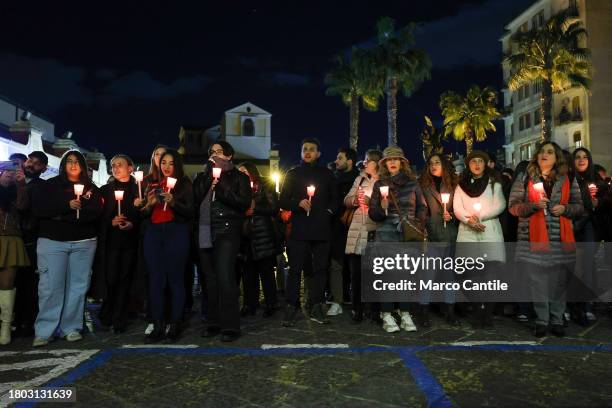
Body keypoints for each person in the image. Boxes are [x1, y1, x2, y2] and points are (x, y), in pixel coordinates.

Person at [509, 142, 583, 337]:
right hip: (533, 238)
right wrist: (533, 205)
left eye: (550, 152)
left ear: (556, 157)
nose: (545, 154)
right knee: (538, 282)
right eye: (542, 151)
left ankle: (557, 319)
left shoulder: (567, 178)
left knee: (558, 282)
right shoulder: (524, 177)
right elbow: (513, 207)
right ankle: (542, 320)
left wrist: (565, 209)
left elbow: (579, 206)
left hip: (560, 237)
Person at [30, 150, 103, 347]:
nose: (73, 165)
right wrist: (66, 206)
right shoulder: (50, 186)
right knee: (51, 286)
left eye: (77, 161)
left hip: (84, 242)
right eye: (69, 161)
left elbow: (94, 213)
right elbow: (40, 209)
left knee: (78, 287)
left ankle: (71, 327)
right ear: (63, 165)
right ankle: (45, 330)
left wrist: (61, 217)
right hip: (53, 242)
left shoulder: (91, 189)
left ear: (83, 166)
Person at [194, 142, 251, 342]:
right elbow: (196, 198)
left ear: (229, 156)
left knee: (226, 277)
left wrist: (223, 184)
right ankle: (213, 322)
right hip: (204, 230)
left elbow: (243, 203)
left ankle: (230, 326)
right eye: (211, 152)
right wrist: (210, 177)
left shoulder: (239, 177)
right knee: (210, 280)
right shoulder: (203, 177)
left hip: (227, 230)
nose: (214, 155)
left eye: (219, 152)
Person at [279, 138, 339, 326]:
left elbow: (336, 198)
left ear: (319, 154)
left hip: (321, 230)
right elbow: (282, 200)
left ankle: (316, 306)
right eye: (304, 149)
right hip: (299, 230)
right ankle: (291, 306)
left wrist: (328, 213)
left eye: (312, 149)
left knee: (320, 271)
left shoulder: (326, 174)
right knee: (295, 270)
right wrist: (297, 203)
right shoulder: (293, 173)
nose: (308, 152)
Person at [369, 147, 428, 333]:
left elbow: (422, 207)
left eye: (396, 159)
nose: (393, 162)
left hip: (406, 234)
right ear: (384, 164)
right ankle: (386, 313)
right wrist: (383, 208)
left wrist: (415, 222)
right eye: (389, 160)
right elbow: (373, 213)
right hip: (386, 233)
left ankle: (405, 312)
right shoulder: (379, 185)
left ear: (402, 162)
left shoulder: (413, 183)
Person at [141, 149, 193, 342]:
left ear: (177, 165)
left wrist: (174, 202)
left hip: (175, 232)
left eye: (171, 163)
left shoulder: (184, 184)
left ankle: (175, 322)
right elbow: (144, 213)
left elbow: (190, 211)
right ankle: (158, 323)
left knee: (175, 279)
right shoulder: (153, 184)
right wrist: (148, 205)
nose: (167, 167)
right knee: (156, 279)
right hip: (154, 233)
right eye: (164, 162)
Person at [453, 150, 506, 328]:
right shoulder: (461, 185)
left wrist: (480, 216)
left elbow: (500, 204)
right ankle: (477, 311)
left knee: (490, 276)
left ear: (485, 164)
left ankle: (487, 314)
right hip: (468, 233)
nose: (476, 164)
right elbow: (457, 207)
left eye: (480, 161)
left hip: (488, 231)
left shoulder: (493, 183)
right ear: (468, 165)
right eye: (473, 161)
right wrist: (469, 220)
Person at [93, 155, 140, 333]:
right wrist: (110, 222)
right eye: (113, 165)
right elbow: (98, 216)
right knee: (111, 278)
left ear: (130, 168)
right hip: (111, 242)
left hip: (130, 242)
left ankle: (120, 316)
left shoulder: (139, 189)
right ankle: (108, 311)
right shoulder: (105, 190)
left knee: (125, 279)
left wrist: (132, 223)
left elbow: (143, 213)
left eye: (120, 165)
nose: (116, 168)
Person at [418, 154, 459, 326]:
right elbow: (420, 208)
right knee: (428, 275)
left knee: (449, 276)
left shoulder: (454, 185)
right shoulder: (423, 185)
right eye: (430, 163)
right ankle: (424, 312)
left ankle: (450, 311)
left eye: (437, 162)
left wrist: (453, 217)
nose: (433, 165)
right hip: (430, 235)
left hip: (449, 234)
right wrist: (424, 220)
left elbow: (461, 207)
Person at [237, 162, 280, 317]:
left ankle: (271, 303)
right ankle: (250, 304)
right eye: (239, 172)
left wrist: (256, 209)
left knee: (266, 272)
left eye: (244, 171)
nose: (241, 175)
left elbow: (274, 208)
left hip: (262, 234)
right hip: (246, 236)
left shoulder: (264, 185)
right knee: (248, 273)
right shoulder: (239, 189)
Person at [343, 149, 382, 323]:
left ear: (377, 163)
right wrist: (355, 201)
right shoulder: (359, 179)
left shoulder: (382, 182)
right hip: (356, 232)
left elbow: (386, 206)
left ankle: (374, 311)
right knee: (356, 275)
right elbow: (346, 199)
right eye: (365, 160)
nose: (365, 163)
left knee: (374, 274)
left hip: (373, 231)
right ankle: (357, 309)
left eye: (368, 160)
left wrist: (371, 202)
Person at [13, 151, 48, 337]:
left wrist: (20, 187)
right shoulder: (9, 181)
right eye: (29, 160)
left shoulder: (42, 186)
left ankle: (27, 321)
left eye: (37, 163)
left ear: (43, 168)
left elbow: (26, 208)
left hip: (30, 240)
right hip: (10, 238)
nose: (30, 164)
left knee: (29, 284)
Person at [135, 144, 167, 335]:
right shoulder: (145, 182)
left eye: (164, 155)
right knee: (152, 276)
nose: (160, 158)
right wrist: (139, 205)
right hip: (149, 231)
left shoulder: (176, 180)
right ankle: (153, 316)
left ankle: (170, 315)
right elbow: (138, 212)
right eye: (157, 155)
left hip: (170, 232)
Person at [570, 147, 603, 324]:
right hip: (572, 226)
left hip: (589, 226)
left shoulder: (597, 181)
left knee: (588, 265)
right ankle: (572, 304)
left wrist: (598, 204)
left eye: (585, 157)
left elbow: (604, 205)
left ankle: (587, 306)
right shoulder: (568, 180)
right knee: (573, 266)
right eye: (577, 157)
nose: (581, 160)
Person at [0, 161, 30, 345]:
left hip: (11, 238)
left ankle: (5, 326)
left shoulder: (19, 190)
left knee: (7, 283)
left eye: (14, 172)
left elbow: (22, 206)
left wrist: (20, 185)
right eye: (6, 172)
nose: (10, 175)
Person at [328, 147, 359, 316]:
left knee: (354, 266)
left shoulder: (358, 180)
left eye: (340, 158)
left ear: (349, 161)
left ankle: (355, 301)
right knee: (337, 265)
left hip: (353, 226)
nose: (336, 161)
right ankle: (338, 300)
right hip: (337, 228)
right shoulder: (334, 178)